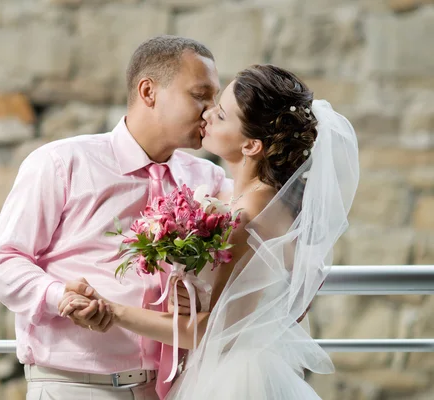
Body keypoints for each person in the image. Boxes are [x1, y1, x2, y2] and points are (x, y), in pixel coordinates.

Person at [63, 65, 361, 399]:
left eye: (220, 115)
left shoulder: (246, 215)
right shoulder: (236, 198)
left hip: (235, 380)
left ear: (250, 146)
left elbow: (212, 332)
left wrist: (114, 311)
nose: (206, 114)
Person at [0, 35, 232, 400]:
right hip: (72, 386)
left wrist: (199, 295)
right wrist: (59, 298)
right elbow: (2, 260)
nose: (210, 110)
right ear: (149, 92)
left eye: (215, 99)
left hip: (172, 388)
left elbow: (239, 268)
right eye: (199, 95)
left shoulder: (208, 180)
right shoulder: (61, 162)